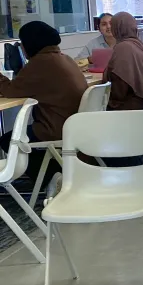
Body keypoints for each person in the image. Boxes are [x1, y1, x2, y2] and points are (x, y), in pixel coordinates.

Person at [0, 20, 87, 178]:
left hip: (55, 129)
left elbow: (10, 90)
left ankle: (49, 178)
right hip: (74, 126)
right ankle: (54, 172)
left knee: (7, 140)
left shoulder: (41, 63)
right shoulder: (64, 58)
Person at [103, 11, 143, 111]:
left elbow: (119, 91)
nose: (110, 28)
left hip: (131, 110)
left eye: (112, 25)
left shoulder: (122, 48)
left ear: (117, 28)